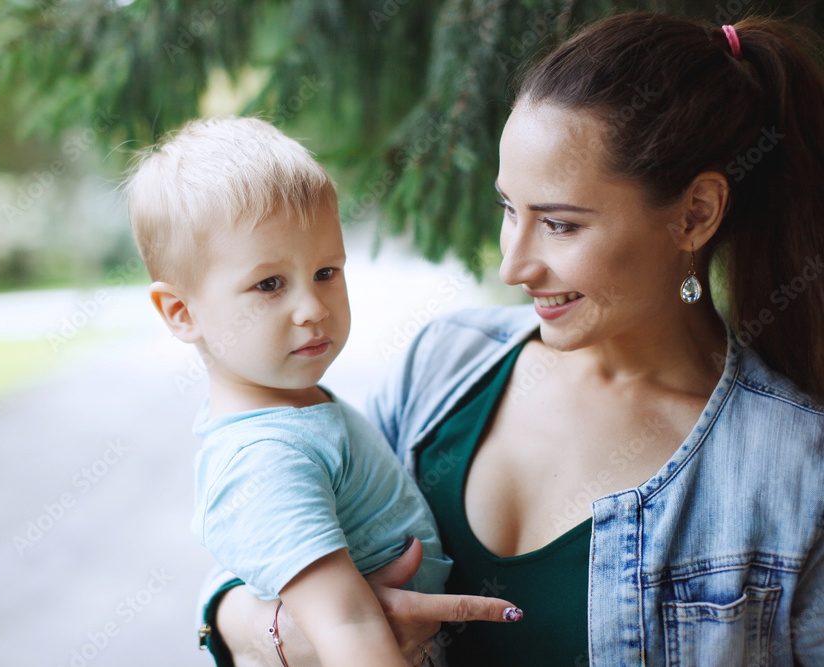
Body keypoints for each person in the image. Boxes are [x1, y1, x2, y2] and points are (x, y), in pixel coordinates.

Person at [206, 11, 824, 666]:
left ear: (695, 214)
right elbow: (261, 528)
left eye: (559, 225)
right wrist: (272, 629)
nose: (513, 267)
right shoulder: (442, 363)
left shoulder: (794, 471)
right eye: (509, 210)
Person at [124, 117, 509, 667]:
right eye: (270, 284)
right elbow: (347, 628)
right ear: (182, 312)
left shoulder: (299, 411)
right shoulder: (266, 459)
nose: (314, 309)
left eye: (326, 271)